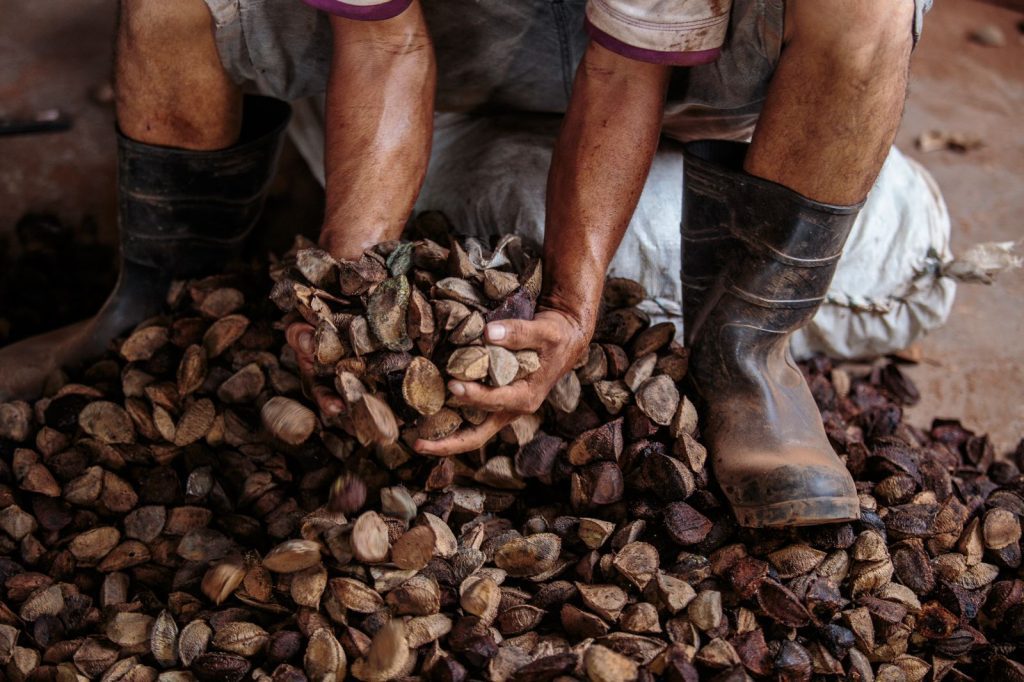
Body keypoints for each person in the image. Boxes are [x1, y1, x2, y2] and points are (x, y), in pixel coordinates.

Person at [0, 0, 927, 527]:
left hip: (694, 82)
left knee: (863, 9)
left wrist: (573, 302)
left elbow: (621, 77)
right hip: (461, 56)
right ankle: (160, 305)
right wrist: (355, 301)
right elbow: (383, 41)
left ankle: (746, 350)